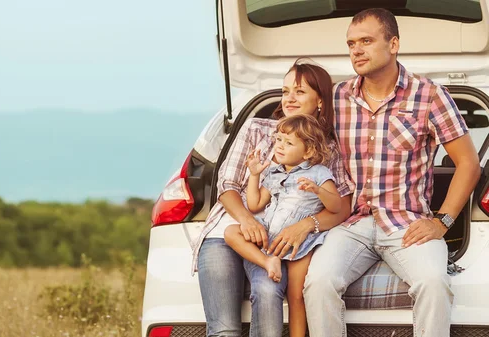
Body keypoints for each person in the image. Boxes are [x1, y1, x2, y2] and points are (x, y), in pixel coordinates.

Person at [303, 8, 481, 337]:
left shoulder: (428, 95)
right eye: (351, 43)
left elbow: (468, 164)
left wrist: (442, 221)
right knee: (317, 283)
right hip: (352, 224)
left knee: (433, 282)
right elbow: (304, 139)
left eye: (366, 41)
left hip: (407, 224)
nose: (356, 50)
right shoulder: (338, 97)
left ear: (394, 44)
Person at [192, 59, 355, 337]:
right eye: (285, 91)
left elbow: (342, 207)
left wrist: (305, 226)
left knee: (268, 291)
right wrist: (246, 219)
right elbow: (227, 184)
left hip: (271, 240)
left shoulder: (328, 149)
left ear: (320, 101)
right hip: (226, 231)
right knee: (224, 330)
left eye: (300, 91)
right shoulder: (257, 128)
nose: (289, 98)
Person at [224, 114, 342, 337]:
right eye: (278, 140)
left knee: (297, 295)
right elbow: (255, 203)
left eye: (289, 143)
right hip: (269, 233)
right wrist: (254, 175)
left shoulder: (319, 173)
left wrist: (318, 191)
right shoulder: (273, 172)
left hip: (300, 245)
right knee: (230, 232)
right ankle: (268, 261)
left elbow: (336, 206)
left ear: (308, 151)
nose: (280, 146)